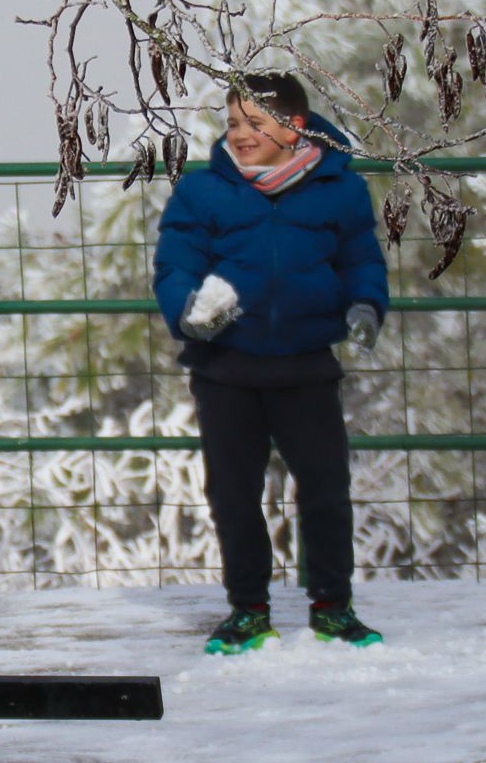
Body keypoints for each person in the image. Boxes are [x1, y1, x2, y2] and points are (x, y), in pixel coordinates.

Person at [152, 72, 390, 655]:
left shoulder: (339, 191)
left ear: (294, 127)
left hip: (307, 366)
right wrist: (188, 311)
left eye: (254, 123)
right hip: (226, 369)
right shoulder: (201, 193)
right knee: (233, 495)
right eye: (233, 123)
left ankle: (333, 607)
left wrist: (365, 306)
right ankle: (248, 610)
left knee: (326, 490)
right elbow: (175, 266)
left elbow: (362, 261)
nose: (239, 134)